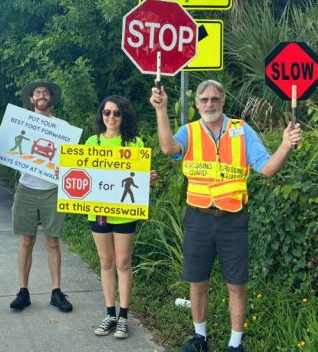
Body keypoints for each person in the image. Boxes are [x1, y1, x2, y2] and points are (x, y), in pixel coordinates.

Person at [149, 79, 302, 352]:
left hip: (233, 219)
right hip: (198, 217)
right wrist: (161, 110)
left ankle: (235, 344)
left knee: (236, 284)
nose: (210, 104)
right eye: (204, 99)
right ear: (197, 104)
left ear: (223, 101)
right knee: (198, 281)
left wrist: (285, 145)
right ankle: (200, 338)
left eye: (215, 99)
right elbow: (169, 149)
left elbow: (267, 169)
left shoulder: (241, 130)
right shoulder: (190, 131)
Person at [0, 80, 73, 313]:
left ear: (51, 98)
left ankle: (56, 291)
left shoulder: (62, 127)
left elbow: (70, 160)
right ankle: (23, 291)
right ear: (31, 99)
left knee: (52, 241)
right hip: (26, 187)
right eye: (37, 93)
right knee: (26, 240)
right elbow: (8, 148)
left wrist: (65, 168)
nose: (41, 96)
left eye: (45, 93)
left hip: (52, 189)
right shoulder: (19, 123)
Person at [86, 95, 156, 340]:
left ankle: (124, 316)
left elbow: (140, 175)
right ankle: (110, 314)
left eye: (117, 113)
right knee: (106, 262)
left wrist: (148, 177)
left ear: (124, 116)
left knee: (123, 263)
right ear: (101, 115)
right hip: (98, 211)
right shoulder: (92, 141)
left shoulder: (135, 143)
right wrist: (63, 171)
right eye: (107, 112)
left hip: (125, 211)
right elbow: (82, 171)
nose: (111, 117)